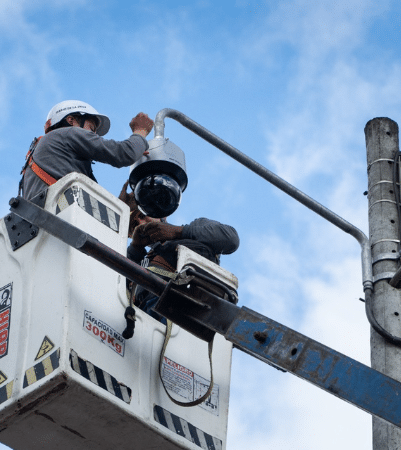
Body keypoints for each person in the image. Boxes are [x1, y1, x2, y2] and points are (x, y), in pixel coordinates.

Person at [118, 182, 239, 322]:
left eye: (143, 215)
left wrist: (179, 232)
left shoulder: (194, 231)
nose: (141, 223)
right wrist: (135, 248)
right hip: (145, 321)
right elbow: (114, 284)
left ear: (161, 214)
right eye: (134, 224)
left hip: (187, 313)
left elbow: (231, 239)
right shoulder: (139, 260)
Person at [20, 100, 154, 200]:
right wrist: (140, 132)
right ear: (71, 121)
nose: (94, 136)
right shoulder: (68, 133)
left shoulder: (48, 148)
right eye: (91, 128)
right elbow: (124, 153)